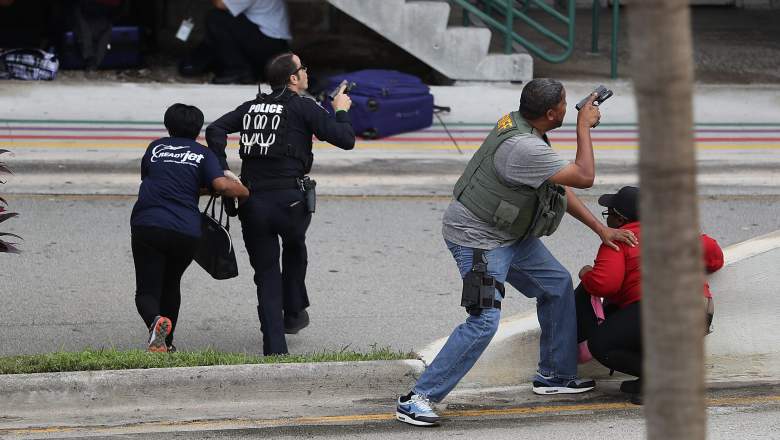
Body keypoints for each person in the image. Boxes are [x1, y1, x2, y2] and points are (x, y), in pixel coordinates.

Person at [395, 78, 638, 427]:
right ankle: (418, 398)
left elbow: (557, 185)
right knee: (484, 321)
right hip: (477, 240)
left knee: (556, 284)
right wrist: (585, 127)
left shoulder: (524, 125)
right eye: (567, 105)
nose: (572, 108)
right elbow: (584, 176)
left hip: (510, 235)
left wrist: (601, 228)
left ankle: (555, 375)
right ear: (553, 113)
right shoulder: (524, 147)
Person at [205, 52, 355, 356]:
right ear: (293, 78)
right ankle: (296, 310)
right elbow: (345, 138)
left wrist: (222, 167)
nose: (307, 72)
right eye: (303, 69)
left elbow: (215, 129)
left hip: (253, 203)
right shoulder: (303, 106)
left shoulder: (251, 107)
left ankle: (275, 348)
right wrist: (340, 110)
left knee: (267, 274)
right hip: (290, 203)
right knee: (296, 245)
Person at [576, 186, 724, 403]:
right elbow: (716, 259)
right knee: (629, 324)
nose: (608, 219)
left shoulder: (619, 240)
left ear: (619, 218)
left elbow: (605, 285)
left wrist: (586, 274)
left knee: (601, 343)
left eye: (609, 213)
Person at [131, 103, 249, 353]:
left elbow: (154, 178)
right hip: (185, 230)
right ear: (198, 130)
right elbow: (221, 185)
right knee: (171, 283)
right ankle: (166, 344)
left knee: (147, 290)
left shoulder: (156, 147)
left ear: (167, 125)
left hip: (148, 224)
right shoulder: (203, 153)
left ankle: (155, 323)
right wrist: (245, 191)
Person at [180, 0, 291, 84]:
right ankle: (242, 71)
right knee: (206, 56)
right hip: (266, 44)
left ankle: (239, 72)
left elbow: (221, 3)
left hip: (269, 47)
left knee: (216, 18)